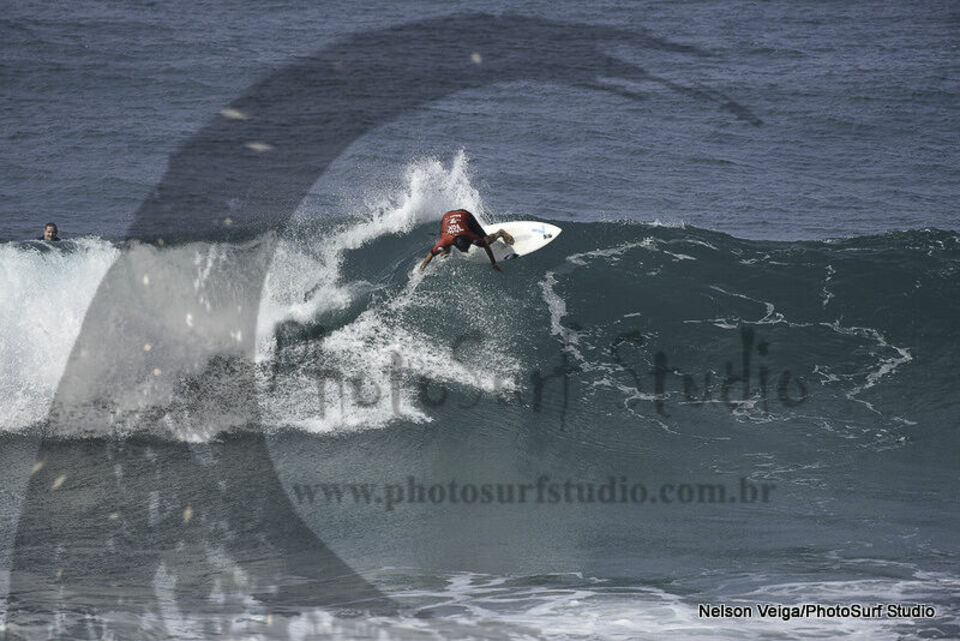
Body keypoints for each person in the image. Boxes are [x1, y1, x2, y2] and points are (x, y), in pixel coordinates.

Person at [420, 209, 514, 272]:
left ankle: (500, 233)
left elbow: (485, 245)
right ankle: (446, 251)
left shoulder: (470, 235)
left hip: (465, 215)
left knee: (487, 240)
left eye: (467, 248)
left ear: (470, 241)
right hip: (447, 216)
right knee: (444, 251)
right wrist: (421, 268)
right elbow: (430, 254)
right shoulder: (445, 239)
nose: (467, 250)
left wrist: (494, 264)